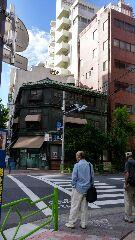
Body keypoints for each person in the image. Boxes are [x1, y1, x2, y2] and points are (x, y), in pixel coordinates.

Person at [65, 151, 94, 229]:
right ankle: (83, 224)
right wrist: (90, 185)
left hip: (78, 188)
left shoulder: (77, 165)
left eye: (76, 156)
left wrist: (73, 185)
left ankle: (71, 223)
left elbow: (74, 178)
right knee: (84, 207)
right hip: (87, 189)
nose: (76, 158)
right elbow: (92, 177)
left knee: (75, 206)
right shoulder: (90, 165)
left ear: (79, 157)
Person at [124, 152, 135, 223]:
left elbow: (127, 173)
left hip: (130, 184)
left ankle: (128, 218)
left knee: (128, 201)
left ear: (127, 157)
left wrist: (126, 183)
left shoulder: (127, 163)